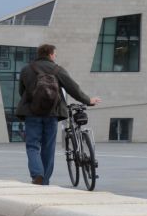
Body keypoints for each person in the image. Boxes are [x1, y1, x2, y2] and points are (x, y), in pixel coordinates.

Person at [17, 43, 101, 185]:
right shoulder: (57, 69)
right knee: (48, 147)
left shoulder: (26, 69)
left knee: (32, 146)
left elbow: (21, 91)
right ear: (50, 54)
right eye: (55, 54)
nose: (55, 57)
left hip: (32, 113)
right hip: (52, 113)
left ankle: (37, 174)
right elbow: (73, 88)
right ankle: (45, 181)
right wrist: (88, 100)